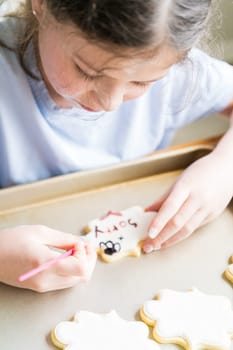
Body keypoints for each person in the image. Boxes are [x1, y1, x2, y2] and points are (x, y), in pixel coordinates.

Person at [0, 0, 233, 292]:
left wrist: (225, 166)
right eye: (88, 72)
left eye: (141, 82)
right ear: (42, 4)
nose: (109, 103)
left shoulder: (178, 74)